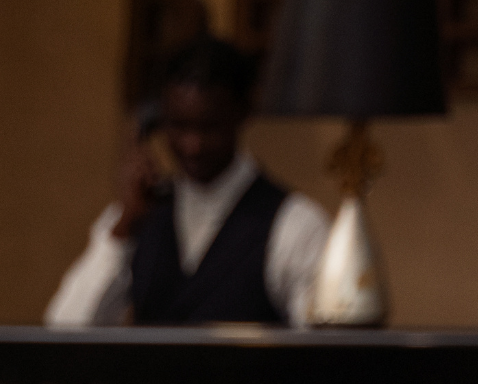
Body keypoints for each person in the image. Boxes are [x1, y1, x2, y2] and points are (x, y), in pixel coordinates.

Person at [45, 37, 330, 327]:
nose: (193, 145)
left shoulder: (296, 223)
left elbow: (317, 342)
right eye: (179, 126)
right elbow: (66, 327)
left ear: (242, 114)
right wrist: (124, 228)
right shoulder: (136, 216)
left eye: (209, 128)